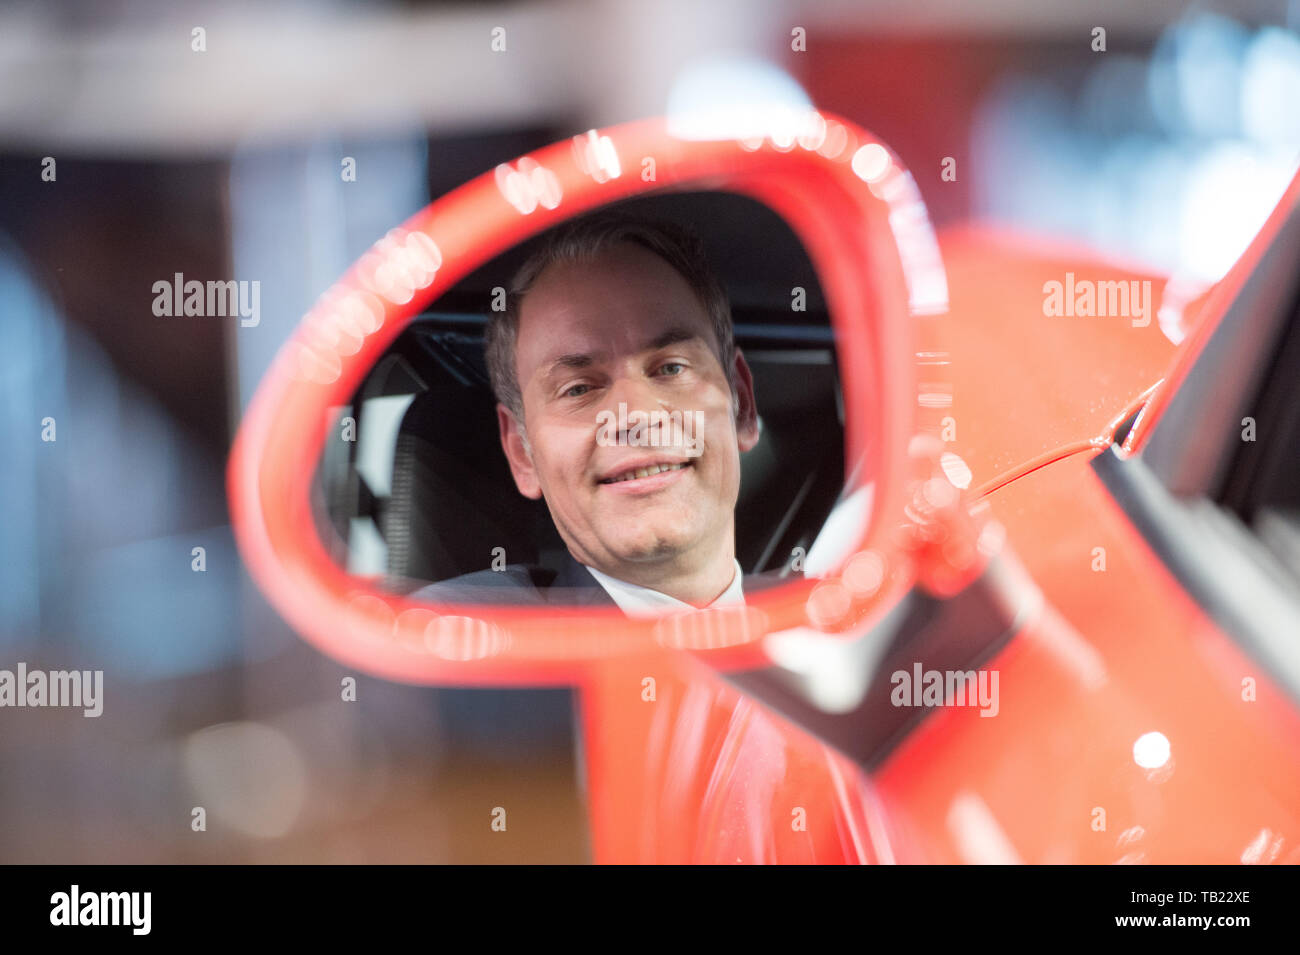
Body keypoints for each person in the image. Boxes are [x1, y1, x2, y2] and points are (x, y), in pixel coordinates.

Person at [410, 212, 790, 616]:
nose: (635, 418)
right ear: (522, 452)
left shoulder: (836, 635)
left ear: (743, 406)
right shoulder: (456, 644)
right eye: (579, 389)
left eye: (671, 368)